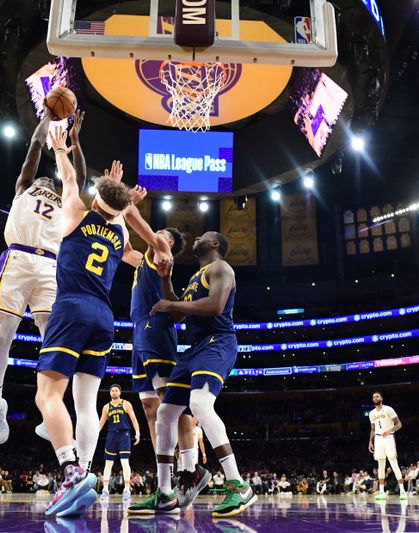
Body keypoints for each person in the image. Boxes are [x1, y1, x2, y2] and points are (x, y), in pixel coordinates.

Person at [33, 125, 134, 517]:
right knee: (87, 404)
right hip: (105, 316)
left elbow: (71, 178)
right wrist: (119, 196)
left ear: (97, 197)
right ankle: (86, 472)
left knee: (48, 396)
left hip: (72, 305)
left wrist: (60, 147)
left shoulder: (76, 212)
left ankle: (70, 471)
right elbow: (128, 248)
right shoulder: (119, 229)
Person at [129, 232, 255, 518]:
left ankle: (237, 483)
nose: (197, 237)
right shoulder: (195, 277)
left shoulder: (221, 268)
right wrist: (165, 278)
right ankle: (165, 493)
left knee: (199, 403)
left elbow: (215, 306)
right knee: (165, 414)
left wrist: (172, 305)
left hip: (218, 342)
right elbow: (176, 314)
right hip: (194, 350)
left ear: (214, 244)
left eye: (204, 236)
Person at [0, 108, 87, 444]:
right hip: (18, 257)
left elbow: (80, 180)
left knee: (53, 339)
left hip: (50, 267)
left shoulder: (64, 199)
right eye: (42, 177)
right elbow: (34, 147)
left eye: (50, 177)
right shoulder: (24, 188)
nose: (45, 178)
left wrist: (74, 141)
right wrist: (47, 115)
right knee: (4, 334)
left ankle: (52, 407)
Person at [120, 201, 208, 506]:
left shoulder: (161, 250)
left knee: (172, 408)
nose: (154, 234)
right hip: (140, 333)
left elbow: (132, 217)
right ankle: (165, 482)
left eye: (158, 232)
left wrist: (126, 200)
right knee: (151, 411)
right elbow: (123, 248)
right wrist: (115, 216)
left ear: (167, 241)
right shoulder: (146, 259)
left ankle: (189, 469)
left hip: (155, 331)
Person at [98, 384, 140, 501]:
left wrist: (137, 433)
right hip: (111, 434)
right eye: (112, 390)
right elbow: (101, 423)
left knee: (124, 461)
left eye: (116, 390)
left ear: (120, 392)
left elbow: (133, 419)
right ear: (110, 393)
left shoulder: (126, 404)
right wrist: (94, 435)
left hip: (124, 434)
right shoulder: (106, 407)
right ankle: (105, 489)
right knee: (108, 463)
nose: (114, 392)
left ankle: (127, 489)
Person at [368, 391, 406, 500]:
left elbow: (399, 424)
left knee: (393, 462)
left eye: (377, 396)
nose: (375, 398)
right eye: (373, 397)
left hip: (388, 437)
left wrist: (389, 431)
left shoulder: (388, 409)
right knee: (381, 465)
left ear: (382, 398)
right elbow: (373, 429)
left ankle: (402, 491)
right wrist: (370, 441)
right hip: (378, 438)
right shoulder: (371, 413)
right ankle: (381, 491)